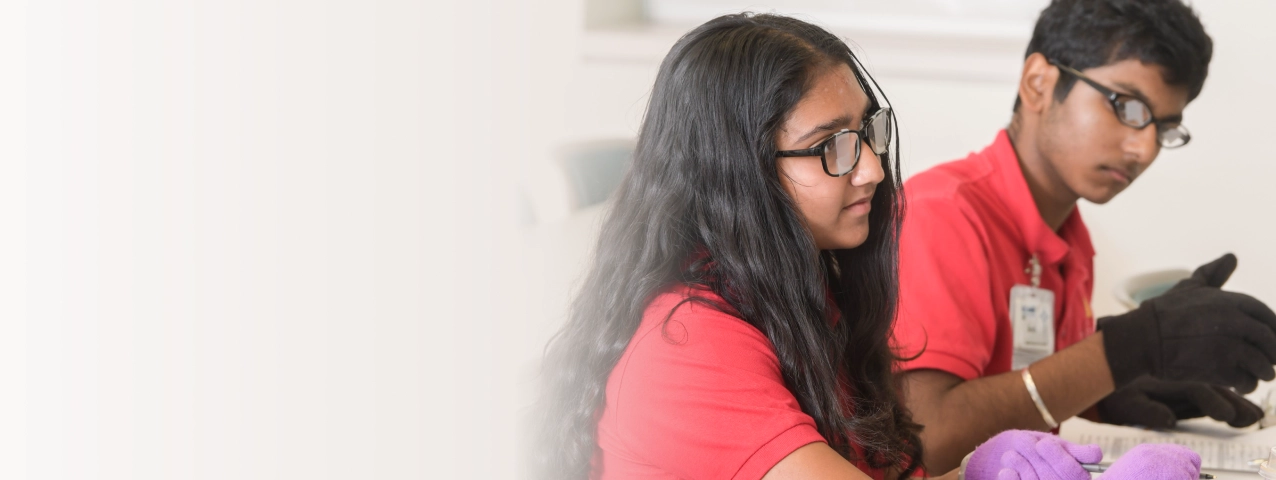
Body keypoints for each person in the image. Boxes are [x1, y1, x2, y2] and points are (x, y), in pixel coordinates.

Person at [533, 12, 1196, 480]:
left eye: (866, 133)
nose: (874, 169)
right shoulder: (689, 344)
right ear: (739, 169)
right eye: (831, 148)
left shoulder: (811, 303)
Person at [891, 0, 1276, 474]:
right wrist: (1126, 348)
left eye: (1165, 126)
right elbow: (925, 441)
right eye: (1127, 106)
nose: (1145, 147)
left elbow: (1017, 393)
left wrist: (1104, 394)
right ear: (1039, 83)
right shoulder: (942, 214)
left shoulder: (1071, 238)